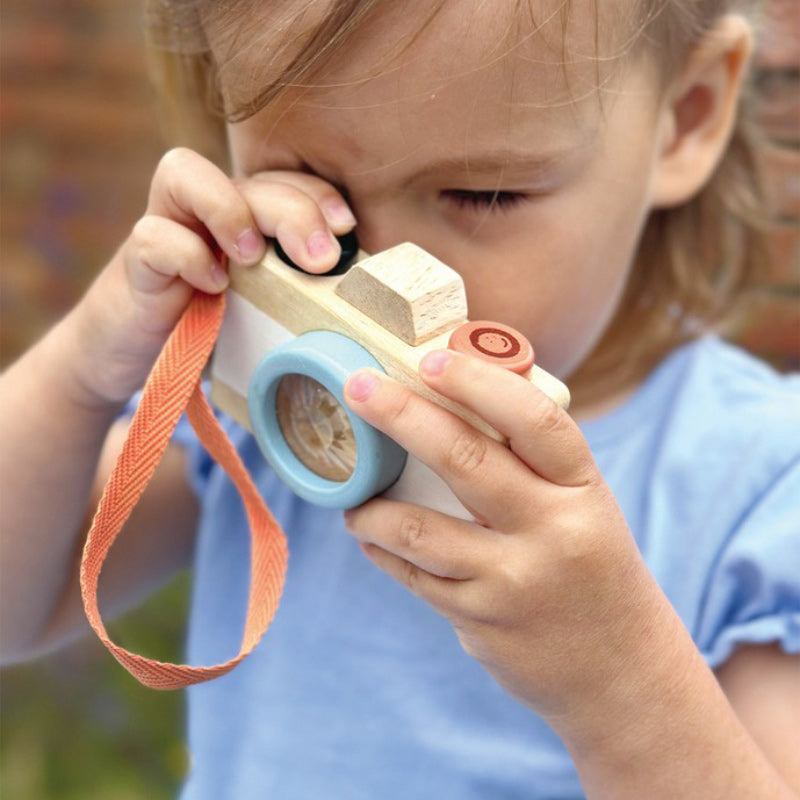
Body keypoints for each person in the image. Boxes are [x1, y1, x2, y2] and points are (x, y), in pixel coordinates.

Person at [1, 0, 798, 797]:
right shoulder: (271, 401)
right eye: (311, 184)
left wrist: (618, 680)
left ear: (685, 117)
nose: (384, 272)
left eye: (482, 194)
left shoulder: (757, 485)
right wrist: (83, 371)